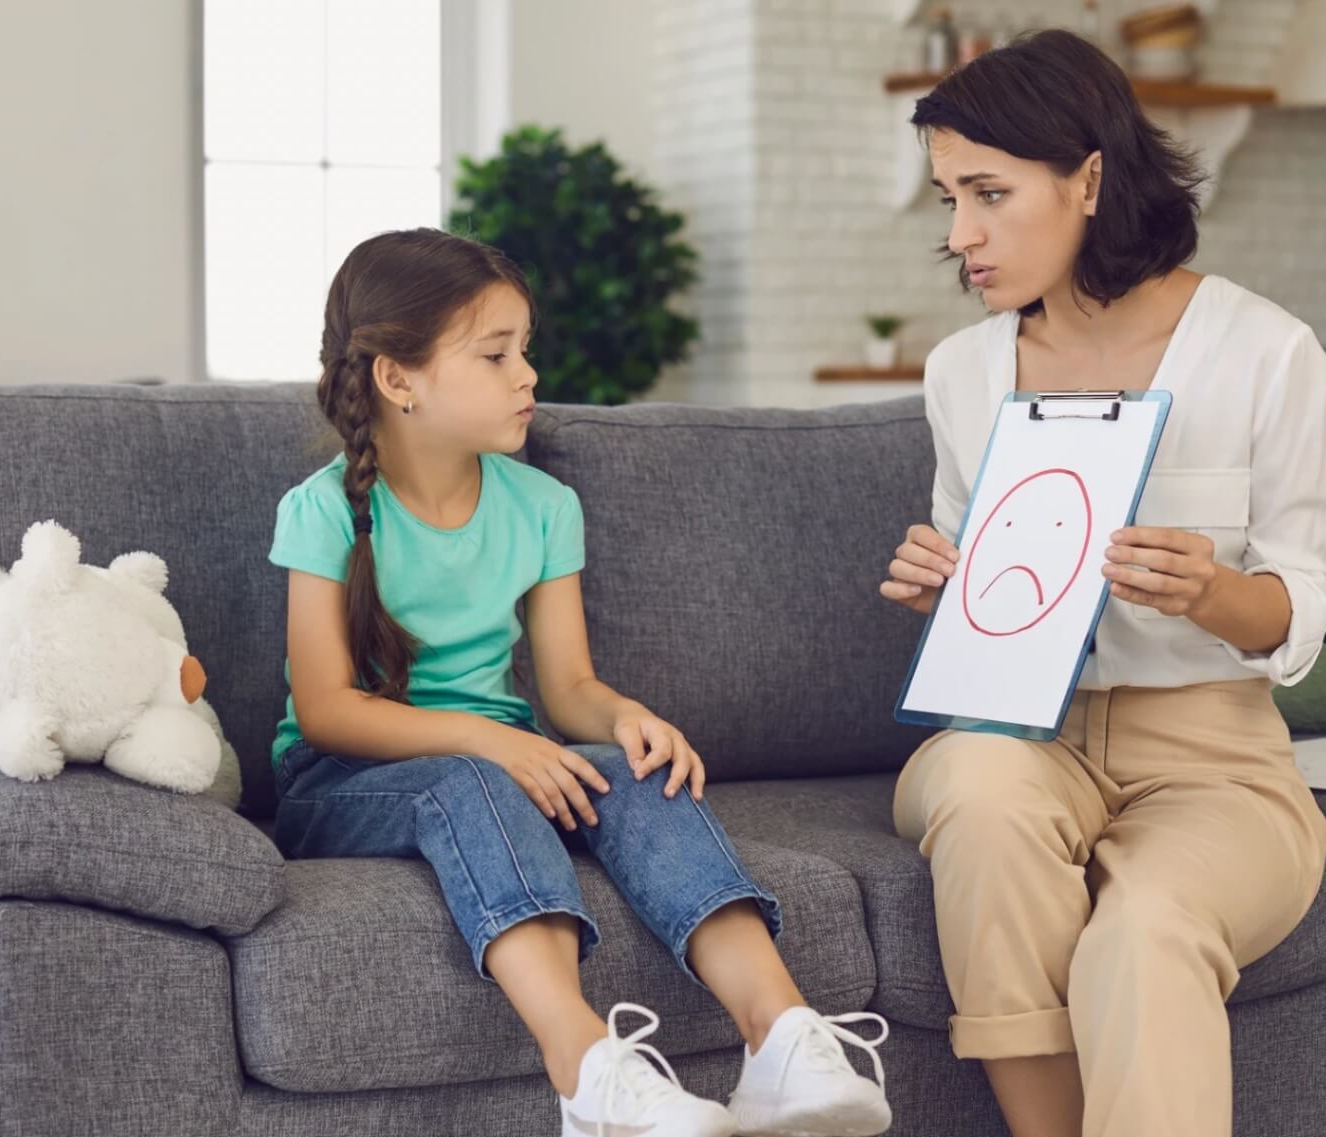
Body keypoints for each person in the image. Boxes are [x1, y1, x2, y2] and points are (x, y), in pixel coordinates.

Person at [272, 228, 891, 1137]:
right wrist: (492, 739)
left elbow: (567, 689)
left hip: (511, 761)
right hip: (341, 783)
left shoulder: (543, 506)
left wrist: (626, 717)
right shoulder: (322, 509)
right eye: (494, 355)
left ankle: (783, 1042)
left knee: (630, 769)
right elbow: (327, 710)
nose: (527, 375)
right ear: (398, 380)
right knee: (474, 777)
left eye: (526, 349)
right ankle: (590, 1076)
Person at [880, 30, 1326, 1137]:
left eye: (988, 194)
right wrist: (941, 586)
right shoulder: (962, 372)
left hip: (1215, 762)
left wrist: (1208, 592)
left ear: (1087, 177)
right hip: (1018, 735)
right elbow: (989, 597)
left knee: (1142, 929)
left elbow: (1302, 603)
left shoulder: (1264, 354)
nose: (960, 236)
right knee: (978, 799)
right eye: (948, 198)